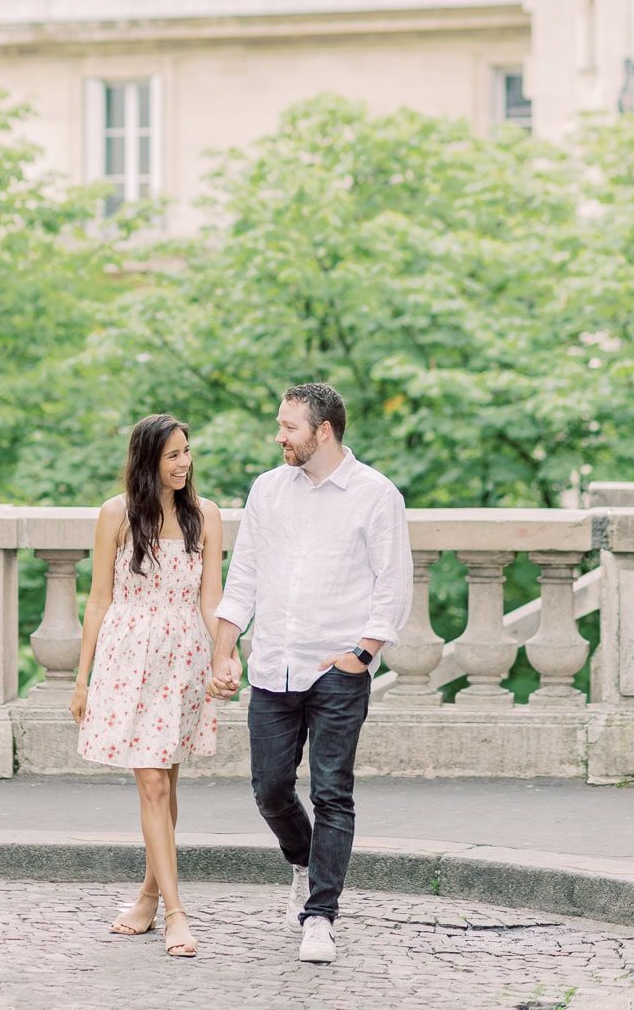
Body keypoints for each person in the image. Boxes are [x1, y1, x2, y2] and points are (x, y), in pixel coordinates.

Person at [208, 383, 411, 965]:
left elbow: (392, 585)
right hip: (273, 664)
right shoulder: (268, 490)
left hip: (338, 669)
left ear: (322, 431)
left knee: (331, 791)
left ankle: (320, 914)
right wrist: (226, 650)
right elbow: (242, 577)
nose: (280, 436)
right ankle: (303, 858)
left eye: (289, 427)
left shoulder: (375, 495)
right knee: (269, 789)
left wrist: (363, 654)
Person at [70, 412, 222, 958]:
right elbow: (98, 599)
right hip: (128, 655)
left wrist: (225, 657)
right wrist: (82, 679)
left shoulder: (206, 515)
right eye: (173, 455)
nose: (185, 464)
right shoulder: (116, 513)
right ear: (147, 460)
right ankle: (176, 914)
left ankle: (146, 896)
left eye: (188, 452)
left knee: (168, 785)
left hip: (184, 659)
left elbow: (211, 602)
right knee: (153, 784)